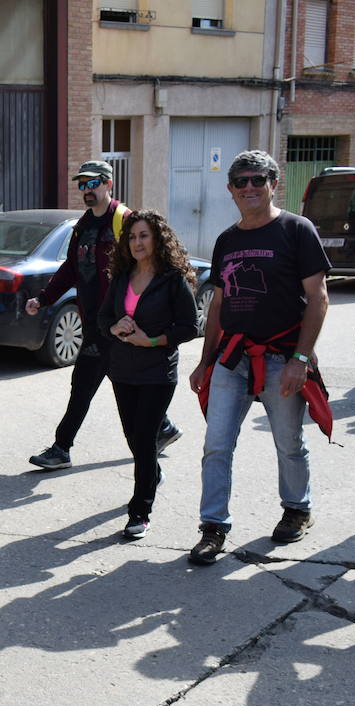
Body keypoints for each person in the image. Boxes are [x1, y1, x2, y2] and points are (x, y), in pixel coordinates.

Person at [187, 150, 331, 564]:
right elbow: (218, 304)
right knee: (216, 445)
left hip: (282, 357)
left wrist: (301, 359)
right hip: (232, 360)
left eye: (258, 180)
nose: (250, 187)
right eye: (242, 181)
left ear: (273, 183)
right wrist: (205, 360)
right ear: (231, 190)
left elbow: (318, 298)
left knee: (288, 443)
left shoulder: (296, 229)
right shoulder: (228, 240)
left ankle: (296, 509)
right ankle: (213, 527)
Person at [24, 160, 180, 471]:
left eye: (92, 183)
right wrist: (43, 299)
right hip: (96, 323)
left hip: (123, 324)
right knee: (92, 384)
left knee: (100, 385)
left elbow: (147, 265)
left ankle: (64, 448)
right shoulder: (82, 226)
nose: (86, 190)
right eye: (81, 184)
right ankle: (160, 429)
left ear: (108, 184)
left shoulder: (125, 220)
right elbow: (71, 268)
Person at [98, 210, 198, 539]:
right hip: (123, 370)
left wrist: (152, 340)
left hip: (157, 372)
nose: (137, 242)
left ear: (157, 239)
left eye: (144, 235)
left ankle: (139, 511)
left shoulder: (172, 279)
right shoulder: (123, 276)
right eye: (132, 237)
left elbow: (189, 327)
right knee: (134, 438)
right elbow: (103, 319)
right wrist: (115, 326)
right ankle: (152, 472)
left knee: (143, 438)